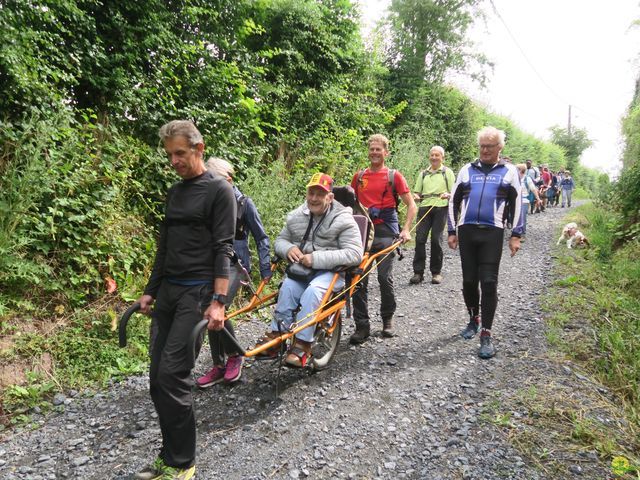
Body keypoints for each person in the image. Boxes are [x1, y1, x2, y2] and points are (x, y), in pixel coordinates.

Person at [134, 120, 236, 480]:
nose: (174, 160)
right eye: (170, 154)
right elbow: (165, 247)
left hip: (197, 291)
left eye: (180, 153)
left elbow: (223, 248)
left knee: (173, 375)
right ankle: (168, 456)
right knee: (156, 379)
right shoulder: (175, 192)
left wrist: (219, 300)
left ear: (199, 148)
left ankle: (183, 464)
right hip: (169, 292)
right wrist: (151, 289)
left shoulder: (218, 191)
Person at [256, 173, 363, 367]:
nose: (313, 198)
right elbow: (280, 240)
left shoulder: (344, 219)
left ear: (330, 197)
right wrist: (289, 249)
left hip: (331, 273)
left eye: (319, 195)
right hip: (302, 272)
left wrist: (315, 259)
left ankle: (303, 344)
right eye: (311, 193)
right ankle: (277, 336)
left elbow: (355, 253)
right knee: (287, 287)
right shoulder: (297, 216)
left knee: (313, 292)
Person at [195, 158, 272, 388]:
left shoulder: (244, 203)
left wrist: (265, 269)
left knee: (218, 307)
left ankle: (235, 356)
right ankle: (219, 364)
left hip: (236, 266)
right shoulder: (210, 203)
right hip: (213, 264)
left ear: (228, 180)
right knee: (207, 310)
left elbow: (262, 237)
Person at [447, 126, 522, 359]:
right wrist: (452, 230)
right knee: (469, 281)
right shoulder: (466, 170)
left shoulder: (509, 172)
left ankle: (486, 334)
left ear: (500, 147)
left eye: (490, 146)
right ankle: (473, 319)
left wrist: (516, 234)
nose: (485, 150)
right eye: (482, 146)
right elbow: (453, 201)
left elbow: (518, 204)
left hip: (492, 232)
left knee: (488, 283)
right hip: (467, 231)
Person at [350, 134, 417, 342]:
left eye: (378, 149)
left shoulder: (394, 176)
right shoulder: (359, 176)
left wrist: (406, 230)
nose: (374, 152)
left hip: (386, 230)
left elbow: (411, 204)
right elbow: (349, 204)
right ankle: (362, 326)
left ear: (386, 152)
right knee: (358, 279)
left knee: (383, 278)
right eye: (372, 149)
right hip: (362, 233)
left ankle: (387, 319)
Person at [409, 145, 456, 285]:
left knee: (436, 239)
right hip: (425, 206)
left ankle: (436, 273)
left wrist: (448, 194)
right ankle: (418, 273)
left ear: (442, 157)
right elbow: (417, 192)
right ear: (429, 157)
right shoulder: (423, 173)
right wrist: (416, 196)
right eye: (432, 155)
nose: (434, 157)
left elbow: (454, 192)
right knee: (420, 239)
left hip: (441, 207)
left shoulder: (447, 172)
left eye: (437, 155)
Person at [516, 163, 541, 239]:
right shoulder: (514, 178)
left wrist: (538, 198)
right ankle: (515, 234)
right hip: (515, 200)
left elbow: (533, 189)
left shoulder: (527, 179)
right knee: (515, 217)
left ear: (520, 170)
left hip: (524, 200)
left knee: (522, 217)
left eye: (516, 169)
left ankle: (522, 234)